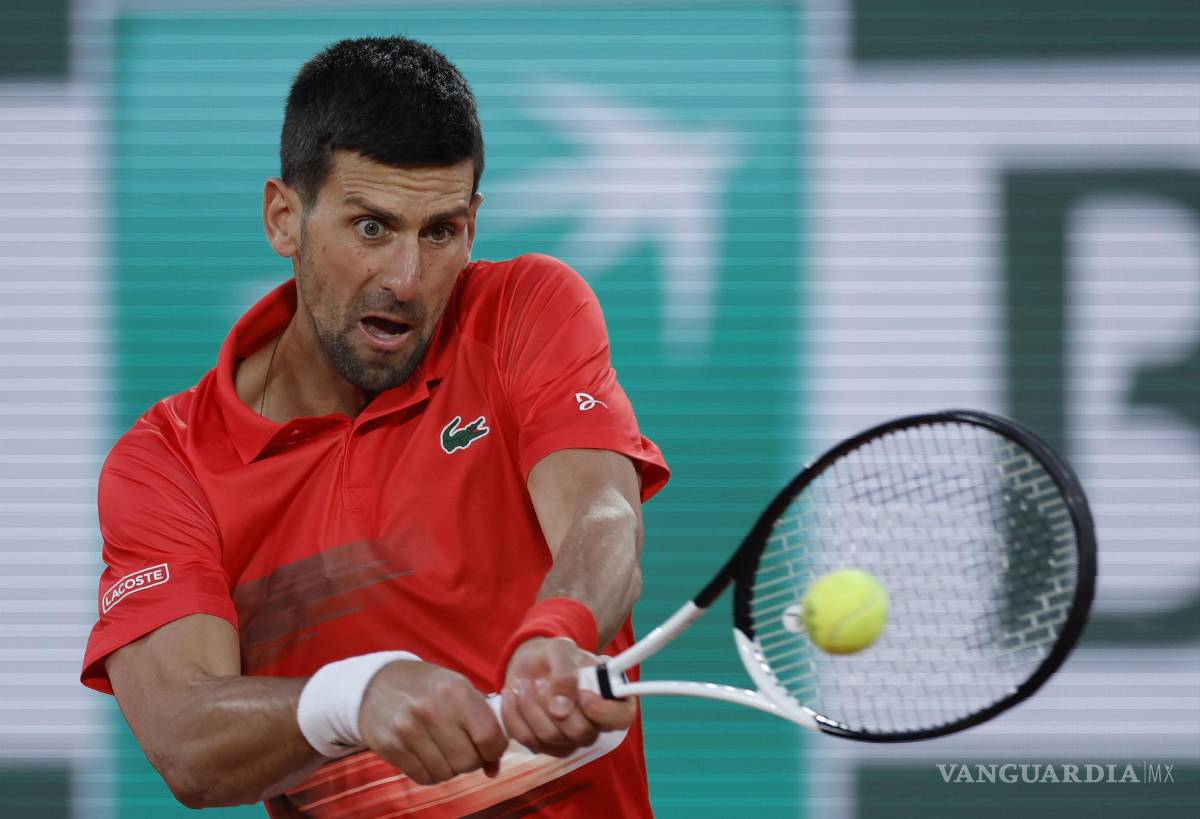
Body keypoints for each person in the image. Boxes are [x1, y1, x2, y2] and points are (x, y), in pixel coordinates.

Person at [80, 36, 669, 817]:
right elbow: (185, 739)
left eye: (440, 232)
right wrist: (354, 697)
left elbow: (604, 511)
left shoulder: (524, 310)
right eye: (371, 228)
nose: (406, 279)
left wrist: (558, 630)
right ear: (284, 218)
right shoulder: (168, 465)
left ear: (473, 224)